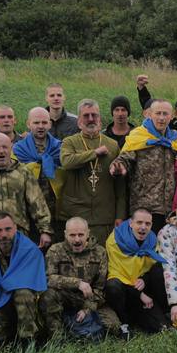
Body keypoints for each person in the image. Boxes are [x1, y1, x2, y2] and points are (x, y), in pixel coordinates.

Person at [0, 211, 48, 353]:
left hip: (27, 308)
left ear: (15, 228)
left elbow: (35, 286)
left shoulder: (30, 250)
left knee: (23, 292)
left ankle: (28, 342)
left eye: (8, 229)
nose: (4, 234)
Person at [113, 99, 177, 232]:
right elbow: (124, 159)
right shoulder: (138, 137)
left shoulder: (176, 141)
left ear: (172, 116)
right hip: (144, 209)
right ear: (149, 114)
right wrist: (118, 167)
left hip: (168, 210)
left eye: (165, 114)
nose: (162, 118)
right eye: (158, 113)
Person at [59, 99, 122, 246]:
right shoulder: (70, 142)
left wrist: (120, 215)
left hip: (105, 215)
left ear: (100, 118)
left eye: (94, 115)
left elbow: (120, 186)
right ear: (79, 120)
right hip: (77, 216)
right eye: (86, 116)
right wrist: (94, 153)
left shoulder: (112, 145)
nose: (91, 119)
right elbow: (67, 162)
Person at [105, 209, 177, 333]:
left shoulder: (152, 240)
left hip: (142, 291)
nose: (143, 227)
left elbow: (151, 269)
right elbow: (117, 274)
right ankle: (124, 322)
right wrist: (139, 294)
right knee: (113, 286)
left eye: (147, 224)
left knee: (162, 327)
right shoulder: (114, 241)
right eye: (139, 223)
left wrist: (144, 280)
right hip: (123, 290)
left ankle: (159, 314)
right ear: (130, 223)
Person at [44, 217, 118, 341]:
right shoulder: (55, 250)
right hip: (64, 298)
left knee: (113, 326)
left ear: (88, 233)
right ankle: (57, 337)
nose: (77, 239)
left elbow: (101, 288)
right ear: (65, 234)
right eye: (72, 235)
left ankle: (73, 326)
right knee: (48, 295)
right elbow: (48, 278)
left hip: (90, 300)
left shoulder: (100, 252)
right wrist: (77, 283)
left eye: (81, 235)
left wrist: (87, 309)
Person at [14, 106, 63, 231]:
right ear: (28, 124)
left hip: (55, 209)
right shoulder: (18, 150)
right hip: (27, 209)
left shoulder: (60, 148)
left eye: (44, 122)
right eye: (36, 122)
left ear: (50, 124)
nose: (40, 126)